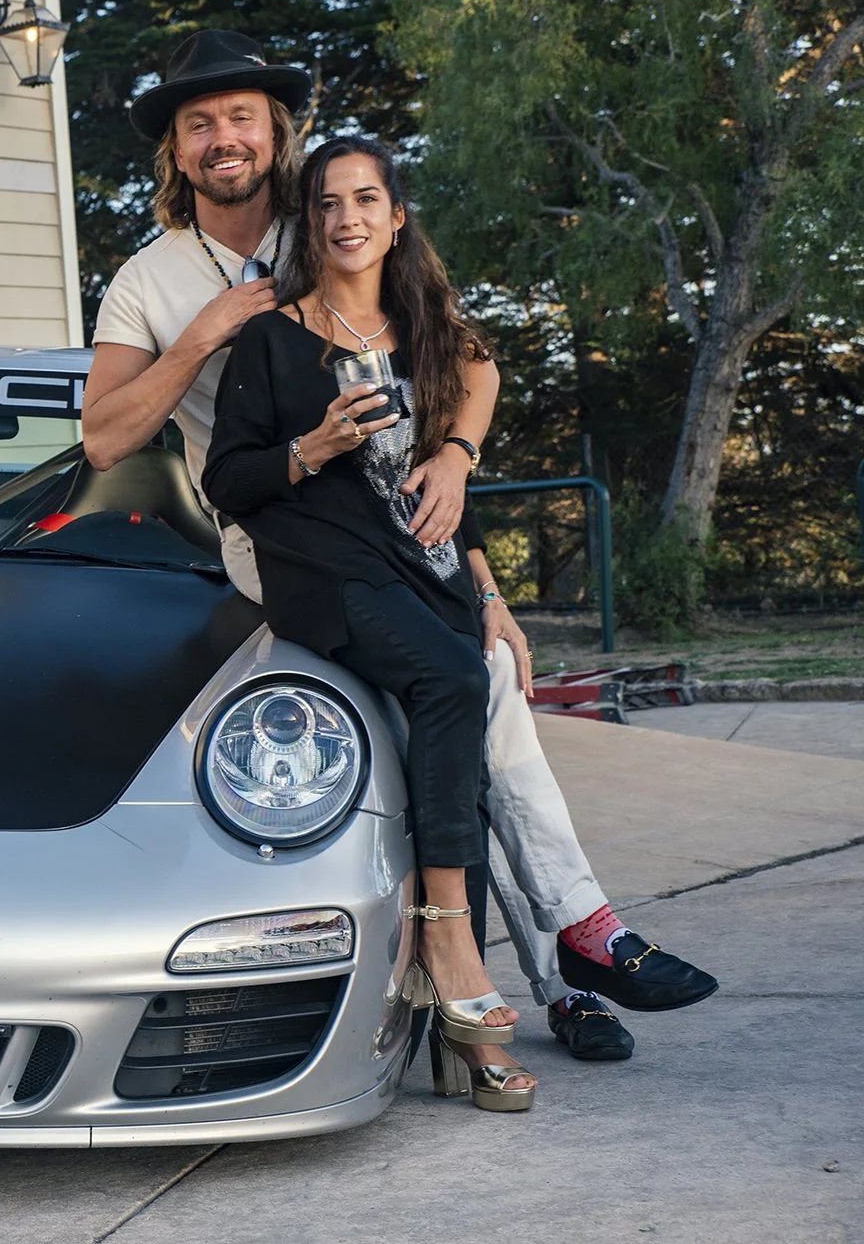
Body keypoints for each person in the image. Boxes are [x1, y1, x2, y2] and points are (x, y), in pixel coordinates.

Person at [85, 31, 714, 1069]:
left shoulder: (333, 218)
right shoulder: (147, 281)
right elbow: (105, 437)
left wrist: (472, 517)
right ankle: (568, 960)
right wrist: (202, 334)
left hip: (401, 518)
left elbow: (459, 369)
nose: (222, 137)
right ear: (176, 150)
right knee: (468, 689)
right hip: (281, 537)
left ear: (276, 132)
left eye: (241, 116)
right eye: (198, 123)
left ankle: (557, 965)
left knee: (485, 677)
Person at [203, 134, 539, 1109]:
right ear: (309, 226)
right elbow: (228, 479)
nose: (346, 218)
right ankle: (450, 945)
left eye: (364, 200)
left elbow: (455, 442)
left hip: (420, 573)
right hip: (323, 575)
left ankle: (459, 1030)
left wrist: (471, 518)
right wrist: (308, 448)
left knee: (459, 747)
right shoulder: (274, 339)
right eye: (327, 203)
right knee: (450, 680)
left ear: (395, 218)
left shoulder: (427, 328)